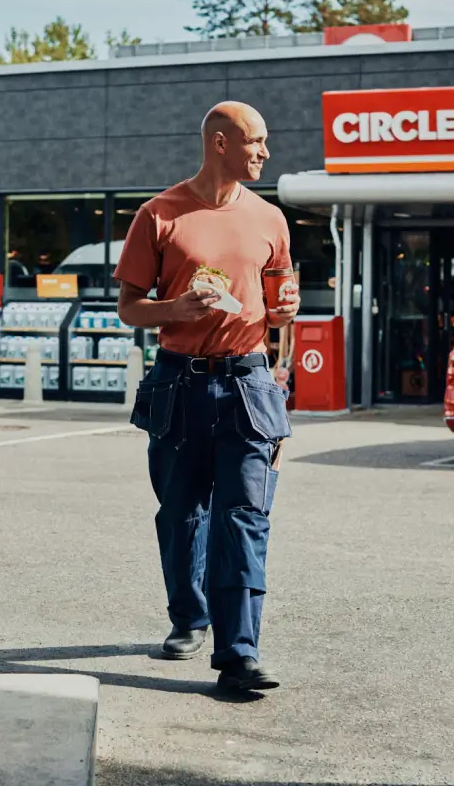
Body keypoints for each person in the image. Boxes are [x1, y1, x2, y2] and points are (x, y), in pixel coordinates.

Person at [114, 101, 300, 692]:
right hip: (178, 382)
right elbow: (128, 307)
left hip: (249, 381)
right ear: (220, 143)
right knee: (181, 514)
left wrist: (287, 315)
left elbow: (280, 302)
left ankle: (239, 652)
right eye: (256, 141)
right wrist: (176, 309)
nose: (265, 152)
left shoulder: (271, 218)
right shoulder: (159, 215)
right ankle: (188, 617)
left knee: (244, 517)